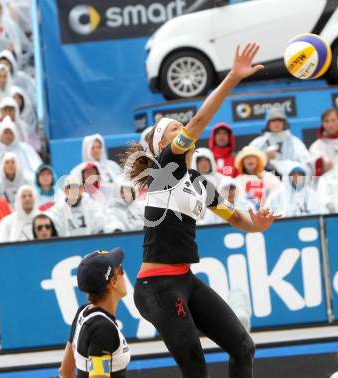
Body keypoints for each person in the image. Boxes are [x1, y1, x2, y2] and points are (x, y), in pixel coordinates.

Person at [124, 43, 279, 378]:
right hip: (156, 287)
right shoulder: (167, 169)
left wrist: (257, 226)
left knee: (243, 347)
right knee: (195, 368)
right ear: (164, 147)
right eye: (174, 130)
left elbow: (236, 218)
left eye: (180, 127)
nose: (184, 130)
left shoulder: (197, 181)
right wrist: (233, 78)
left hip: (184, 278)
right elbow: (200, 118)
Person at [59, 248, 131, 378]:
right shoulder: (103, 328)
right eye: (121, 270)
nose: (124, 274)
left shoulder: (83, 312)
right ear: (113, 282)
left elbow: (65, 371)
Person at [249, 107, 311, 175]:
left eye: (280, 120)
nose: (277, 123)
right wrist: (264, 158)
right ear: (268, 123)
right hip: (265, 181)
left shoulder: (295, 142)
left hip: (289, 180)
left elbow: (306, 163)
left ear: (284, 123)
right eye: (273, 120)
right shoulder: (258, 143)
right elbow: (248, 165)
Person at [234, 145, 282, 211]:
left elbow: (278, 194)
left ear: (258, 160)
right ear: (242, 162)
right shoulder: (237, 181)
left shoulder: (269, 177)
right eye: (246, 157)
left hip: (269, 215)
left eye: (252, 156)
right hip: (247, 217)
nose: (249, 159)